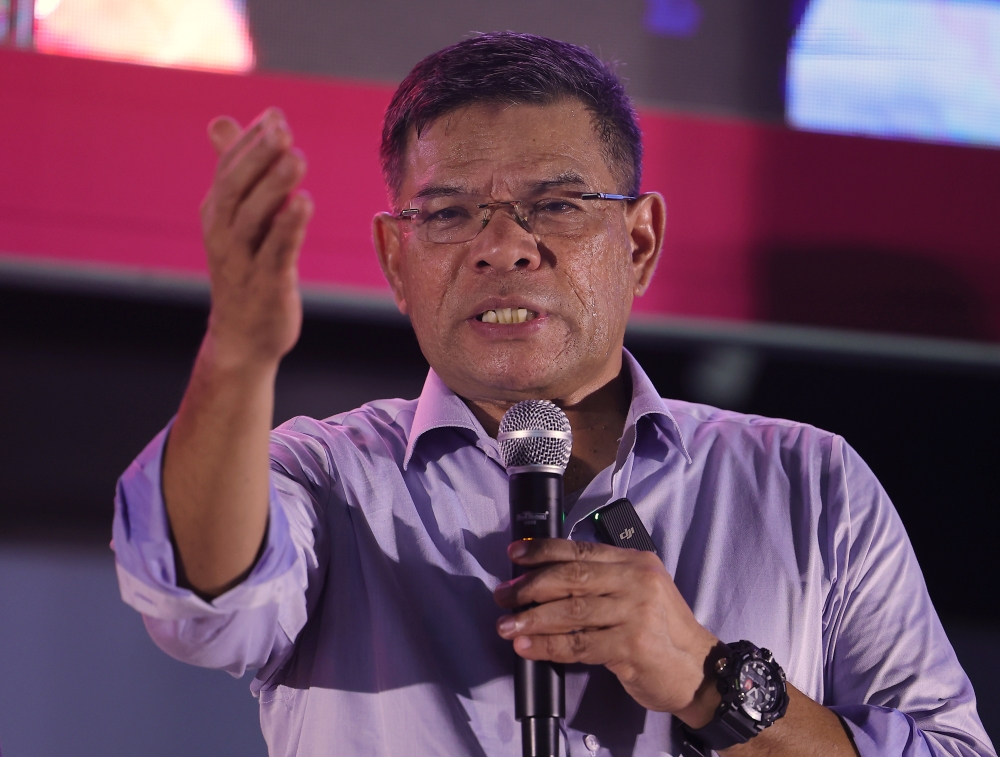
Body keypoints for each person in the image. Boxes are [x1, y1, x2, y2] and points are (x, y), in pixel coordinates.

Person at [112, 32, 995, 757]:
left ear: (640, 242)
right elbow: (199, 600)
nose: (504, 247)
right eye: (451, 213)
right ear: (394, 261)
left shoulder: (811, 483)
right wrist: (236, 354)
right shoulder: (329, 476)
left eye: (558, 205)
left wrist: (708, 679)